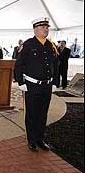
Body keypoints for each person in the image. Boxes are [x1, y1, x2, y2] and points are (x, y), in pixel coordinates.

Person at [15, 17, 58, 152]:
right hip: (32, 86)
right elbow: (19, 65)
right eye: (43, 27)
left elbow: (56, 65)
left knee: (43, 114)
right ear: (35, 29)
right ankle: (32, 140)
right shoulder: (28, 45)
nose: (46, 29)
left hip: (46, 85)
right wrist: (21, 82)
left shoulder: (50, 45)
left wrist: (55, 82)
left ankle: (40, 139)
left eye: (47, 27)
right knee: (32, 114)